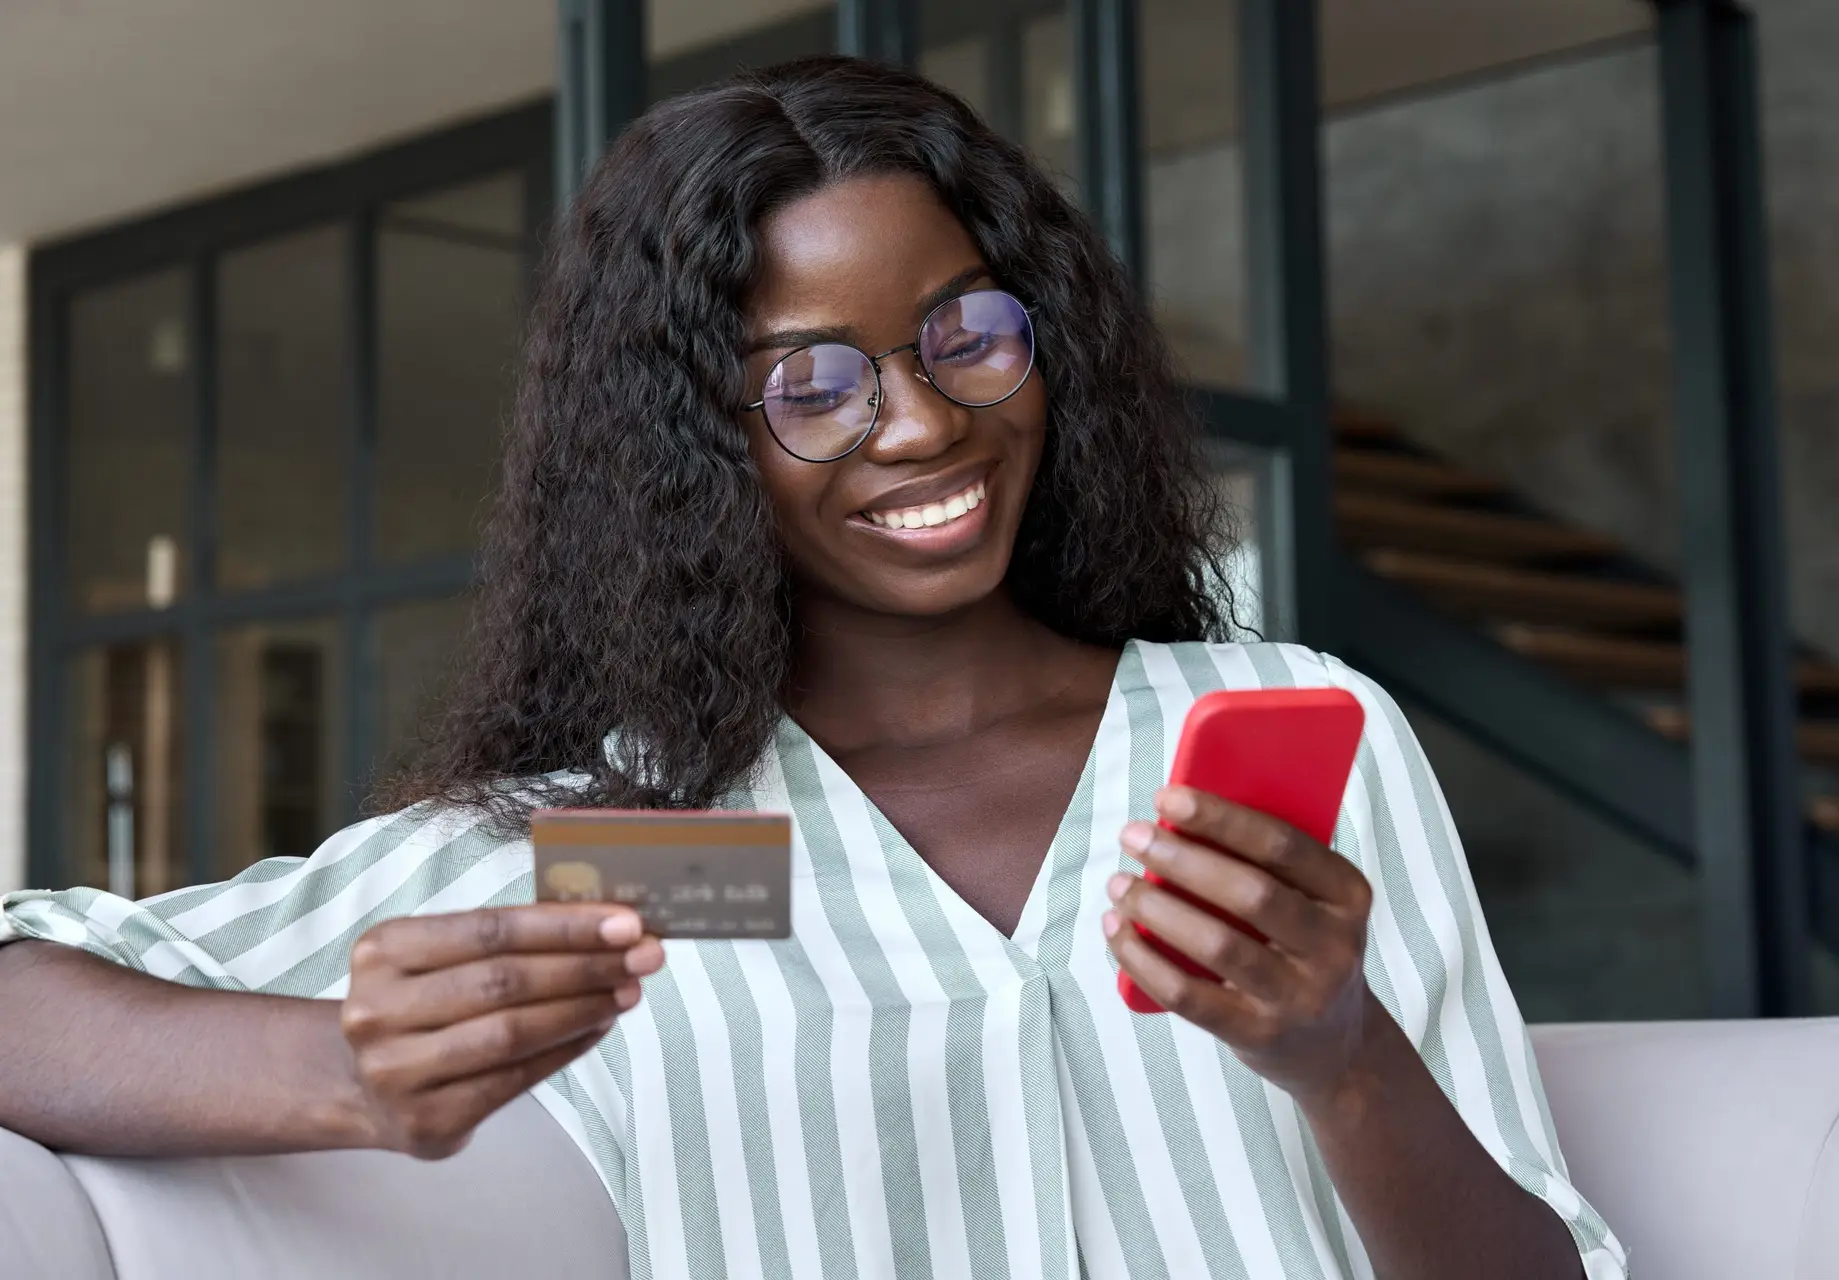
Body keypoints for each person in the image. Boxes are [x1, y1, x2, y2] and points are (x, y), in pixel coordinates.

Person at [0, 56, 1625, 1280]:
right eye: (813, 384)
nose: (922, 423)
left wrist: (1344, 1063)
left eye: (966, 335)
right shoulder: (673, 850)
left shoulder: (1278, 738)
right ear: (688, 449)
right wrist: (340, 1068)